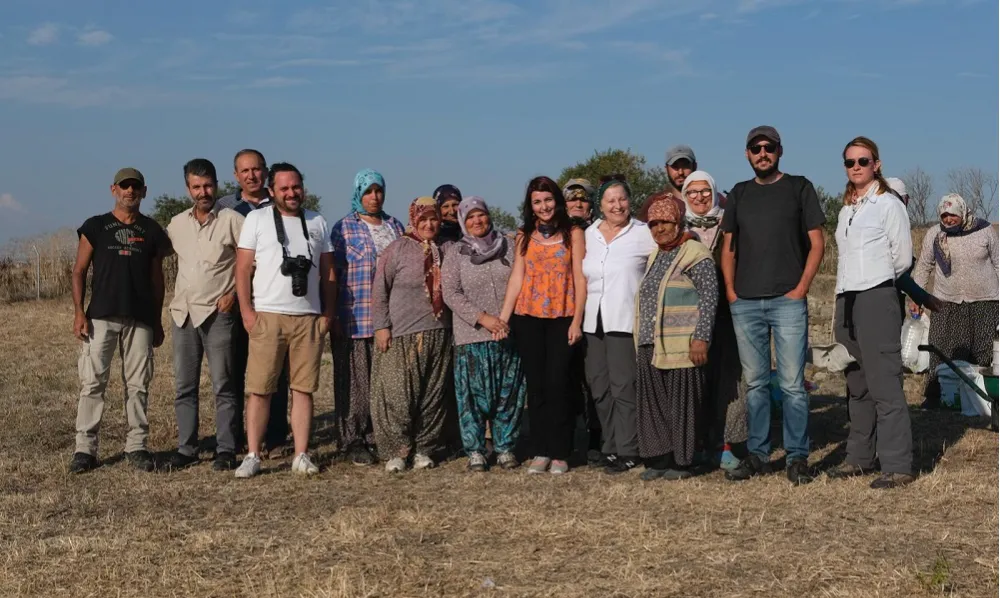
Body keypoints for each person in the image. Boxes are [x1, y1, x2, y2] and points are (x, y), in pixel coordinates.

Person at [720, 125, 825, 486]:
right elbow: (729, 246)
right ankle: (759, 454)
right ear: (747, 154)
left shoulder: (799, 188)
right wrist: (732, 292)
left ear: (780, 151)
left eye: (768, 147)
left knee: (794, 385)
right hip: (745, 302)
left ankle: (797, 457)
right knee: (756, 385)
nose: (762, 153)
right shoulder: (739, 193)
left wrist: (801, 288)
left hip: (787, 301)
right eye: (755, 148)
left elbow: (817, 242)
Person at [233, 163, 335, 478]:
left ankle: (301, 454)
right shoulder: (257, 219)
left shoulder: (317, 220)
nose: (291, 193)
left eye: (296, 187)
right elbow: (242, 269)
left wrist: (327, 315)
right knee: (260, 389)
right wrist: (247, 312)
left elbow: (329, 272)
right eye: (284, 188)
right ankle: (252, 454)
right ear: (272, 191)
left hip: (308, 317)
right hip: (268, 315)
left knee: (303, 389)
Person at [69, 167, 171, 473]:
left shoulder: (152, 231)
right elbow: (78, 270)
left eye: (135, 187)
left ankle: (136, 446)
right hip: (100, 316)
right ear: (113, 189)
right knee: (93, 382)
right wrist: (78, 311)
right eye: (124, 186)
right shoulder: (96, 226)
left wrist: (157, 319)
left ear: (144, 191)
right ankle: (85, 449)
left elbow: (158, 281)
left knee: (138, 384)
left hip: (140, 319)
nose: (130, 191)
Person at [827, 137, 915, 489]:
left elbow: (902, 258)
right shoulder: (848, 207)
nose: (856, 167)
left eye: (863, 161)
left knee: (883, 383)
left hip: (877, 295)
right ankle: (860, 457)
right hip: (846, 298)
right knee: (857, 383)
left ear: (876, 164)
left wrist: (877, 286)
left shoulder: (888, 205)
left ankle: (897, 464)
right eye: (850, 162)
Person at [499, 176, 587, 475]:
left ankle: (561, 452)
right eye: (537, 201)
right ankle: (541, 450)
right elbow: (516, 278)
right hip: (528, 319)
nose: (544, 206)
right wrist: (503, 317)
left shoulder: (573, 233)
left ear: (557, 201)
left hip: (563, 317)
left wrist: (577, 320)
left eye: (548, 199)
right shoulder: (524, 235)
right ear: (531, 205)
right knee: (536, 387)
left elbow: (579, 277)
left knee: (558, 384)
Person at [165, 159, 244, 471]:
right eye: (196, 187)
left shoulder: (231, 220)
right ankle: (187, 449)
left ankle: (226, 449)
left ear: (217, 184)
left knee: (223, 385)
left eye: (208, 185)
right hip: (183, 314)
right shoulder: (176, 224)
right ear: (188, 189)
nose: (203, 192)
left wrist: (235, 295)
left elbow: (251, 260)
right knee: (185, 386)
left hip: (217, 313)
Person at [634, 192, 718, 481]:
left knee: (682, 404)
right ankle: (660, 459)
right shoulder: (656, 255)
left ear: (678, 222)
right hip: (651, 342)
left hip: (682, 344)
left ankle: (684, 462)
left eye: (665, 222)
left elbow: (709, 298)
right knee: (655, 404)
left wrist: (701, 338)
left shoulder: (696, 254)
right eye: (653, 224)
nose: (659, 229)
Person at [370, 197, 455, 473]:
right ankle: (397, 451)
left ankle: (424, 449)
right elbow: (380, 290)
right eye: (424, 219)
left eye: (434, 219)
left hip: (438, 332)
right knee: (398, 395)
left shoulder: (446, 249)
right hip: (402, 334)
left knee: (432, 395)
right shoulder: (397, 249)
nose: (429, 224)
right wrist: (382, 327)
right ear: (414, 220)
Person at [442, 196, 525, 472]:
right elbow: (450, 292)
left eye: (481, 215)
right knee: (472, 397)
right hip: (471, 335)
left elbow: (521, 280)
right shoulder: (456, 252)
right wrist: (483, 319)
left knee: (508, 394)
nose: (477, 221)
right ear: (464, 222)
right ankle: (476, 450)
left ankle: (505, 448)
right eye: (470, 217)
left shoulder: (510, 246)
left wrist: (504, 319)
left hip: (507, 332)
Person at [216, 149, 291, 454]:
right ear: (236, 175)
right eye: (245, 171)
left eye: (257, 169)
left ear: (265, 172)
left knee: (276, 374)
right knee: (233, 373)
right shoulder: (224, 208)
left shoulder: (281, 206)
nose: (251, 176)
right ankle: (234, 440)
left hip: (273, 302)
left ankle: (274, 439)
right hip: (234, 303)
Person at [330, 169, 406, 465]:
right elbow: (333, 274)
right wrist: (334, 313)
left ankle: (379, 436)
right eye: (368, 191)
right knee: (354, 383)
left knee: (383, 383)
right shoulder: (344, 228)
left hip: (389, 320)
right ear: (358, 194)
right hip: (354, 316)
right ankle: (352, 440)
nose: (374, 197)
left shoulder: (395, 226)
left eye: (379, 191)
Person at [581, 175, 656, 474]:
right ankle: (609, 446)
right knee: (599, 387)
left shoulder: (642, 232)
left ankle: (629, 449)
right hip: (592, 321)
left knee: (624, 387)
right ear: (600, 205)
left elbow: (669, 246)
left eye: (622, 199)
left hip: (624, 320)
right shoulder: (589, 234)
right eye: (610, 200)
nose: (617, 205)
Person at [681, 171, 747, 471]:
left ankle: (728, 444)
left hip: (728, 313)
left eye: (704, 191)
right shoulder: (678, 229)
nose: (698, 197)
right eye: (692, 192)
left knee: (730, 381)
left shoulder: (730, 223)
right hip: (688, 319)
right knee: (696, 381)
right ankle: (698, 443)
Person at [913, 193, 998, 409]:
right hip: (946, 301)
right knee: (941, 348)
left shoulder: (984, 231)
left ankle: (983, 400)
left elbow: (999, 263)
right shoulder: (935, 234)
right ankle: (936, 396)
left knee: (984, 351)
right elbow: (924, 266)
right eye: (944, 215)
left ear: (963, 212)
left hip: (985, 301)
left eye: (952, 215)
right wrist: (917, 296)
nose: (948, 220)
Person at [561, 177, 602, 462]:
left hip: (594, 315)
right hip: (561, 314)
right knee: (565, 380)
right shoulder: (553, 233)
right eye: (572, 199)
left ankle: (597, 439)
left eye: (583, 199)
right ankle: (566, 441)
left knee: (595, 380)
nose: (577, 203)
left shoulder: (601, 232)